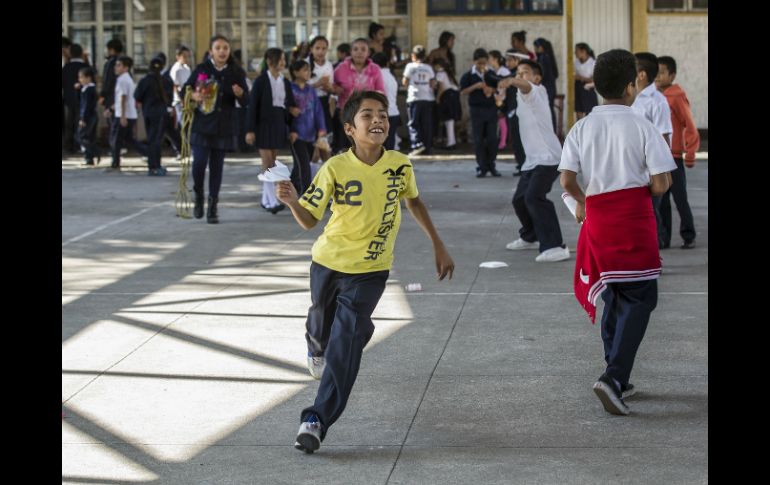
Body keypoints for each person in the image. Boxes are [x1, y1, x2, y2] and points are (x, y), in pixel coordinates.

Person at [274, 90, 455, 454]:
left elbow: (413, 200)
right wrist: (293, 200)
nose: (377, 120)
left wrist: (437, 243)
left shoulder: (400, 164)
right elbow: (310, 221)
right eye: (367, 115)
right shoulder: (335, 168)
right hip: (328, 263)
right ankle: (317, 343)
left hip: (371, 270)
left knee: (346, 344)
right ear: (349, 129)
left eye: (383, 115)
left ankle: (315, 420)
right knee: (322, 323)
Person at [558, 49, 675, 415]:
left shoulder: (581, 127)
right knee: (641, 297)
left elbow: (566, 180)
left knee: (613, 293)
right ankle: (613, 377)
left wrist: (585, 202)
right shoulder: (641, 125)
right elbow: (659, 184)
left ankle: (616, 375)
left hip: (597, 221)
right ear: (631, 86)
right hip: (632, 220)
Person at [498, 60, 568, 262]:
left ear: (537, 78)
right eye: (518, 72)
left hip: (549, 158)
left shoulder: (538, 91)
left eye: (525, 72)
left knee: (534, 197)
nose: (521, 76)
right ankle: (531, 236)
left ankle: (555, 246)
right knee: (519, 199)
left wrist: (512, 80)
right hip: (532, 160)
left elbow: (525, 86)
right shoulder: (521, 97)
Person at [183, 35, 249, 223]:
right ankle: (198, 195)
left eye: (225, 48)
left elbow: (246, 101)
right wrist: (194, 95)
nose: (222, 51)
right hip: (202, 125)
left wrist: (241, 94)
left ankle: (213, 207)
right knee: (199, 164)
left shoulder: (236, 72)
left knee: (217, 167)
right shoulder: (202, 69)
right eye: (218, 48)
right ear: (211, 51)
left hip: (223, 126)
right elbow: (185, 90)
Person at [246, 47, 299, 214]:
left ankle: (266, 199)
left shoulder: (285, 81)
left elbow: (289, 106)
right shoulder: (261, 81)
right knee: (267, 162)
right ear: (270, 61)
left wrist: (292, 127)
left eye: (284, 59)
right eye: (280, 59)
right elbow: (252, 106)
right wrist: (250, 129)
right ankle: (271, 201)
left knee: (273, 162)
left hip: (278, 123)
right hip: (263, 125)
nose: (283, 63)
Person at [656, 55, 700, 249]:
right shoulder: (654, 97)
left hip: (673, 157)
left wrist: (690, 153)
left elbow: (689, 125)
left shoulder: (676, 96)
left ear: (672, 75)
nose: (658, 76)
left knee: (680, 197)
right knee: (662, 200)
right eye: (656, 72)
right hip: (658, 158)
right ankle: (664, 238)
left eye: (662, 72)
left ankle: (688, 234)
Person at [459, 48, 501, 177]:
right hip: (476, 110)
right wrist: (475, 86)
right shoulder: (468, 75)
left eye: (484, 63)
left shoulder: (491, 74)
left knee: (492, 139)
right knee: (478, 139)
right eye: (479, 63)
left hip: (491, 109)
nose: (482, 66)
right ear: (474, 62)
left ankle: (491, 165)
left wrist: (491, 90)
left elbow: (499, 87)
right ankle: (481, 166)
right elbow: (462, 91)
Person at [288, 59, 327, 195]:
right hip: (296, 134)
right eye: (305, 70)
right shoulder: (290, 89)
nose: (308, 72)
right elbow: (285, 109)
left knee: (300, 165)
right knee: (304, 165)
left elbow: (318, 110)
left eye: (309, 70)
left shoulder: (311, 90)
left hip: (310, 133)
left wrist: (321, 129)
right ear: (295, 72)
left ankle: (288, 189)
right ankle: (307, 195)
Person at [134, 55, 171, 176]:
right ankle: (156, 166)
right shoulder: (164, 80)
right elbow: (169, 96)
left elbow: (137, 96)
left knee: (151, 139)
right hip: (160, 114)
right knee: (156, 140)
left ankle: (152, 166)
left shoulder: (145, 80)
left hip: (148, 113)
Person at [403, 45, 436, 156]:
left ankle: (416, 145)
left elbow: (405, 82)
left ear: (413, 56)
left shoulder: (410, 66)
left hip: (414, 98)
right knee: (426, 123)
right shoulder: (429, 68)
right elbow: (432, 83)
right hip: (427, 98)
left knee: (413, 123)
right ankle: (427, 146)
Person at [77, 66, 100, 166]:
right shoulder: (87, 89)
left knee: (81, 136)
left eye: (82, 77)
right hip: (91, 116)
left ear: (88, 78)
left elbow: (86, 106)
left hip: (89, 117)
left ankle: (95, 151)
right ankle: (89, 158)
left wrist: (83, 118)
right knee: (89, 137)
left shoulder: (88, 90)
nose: (80, 80)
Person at [574, 43, 598, 119]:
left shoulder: (593, 63)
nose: (575, 53)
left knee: (589, 114)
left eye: (576, 51)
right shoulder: (576, 62)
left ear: (583, 51)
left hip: (588, 90)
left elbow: (595, 79)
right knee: (579, 111)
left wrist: (581, 78)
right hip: (578, 88)